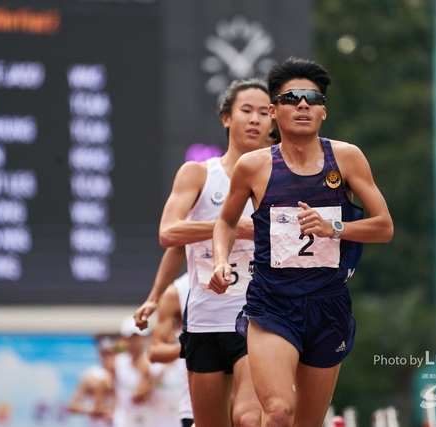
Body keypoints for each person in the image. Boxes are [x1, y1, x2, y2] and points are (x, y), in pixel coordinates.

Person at [209, 57, 394, 427]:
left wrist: (335, 227)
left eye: (313, 98)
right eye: (292, 97)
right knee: (277, 412)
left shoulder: (346, 158)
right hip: (272, 305)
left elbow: (384, 227)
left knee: (306, 422)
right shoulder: (254, 166)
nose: (304, 104)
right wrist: (220, 261)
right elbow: (226, 221)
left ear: (323, 111)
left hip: (328, 305)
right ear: (274, 111)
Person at [158, 78, 273, 427]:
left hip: (258, 318)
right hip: (204, 318)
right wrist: (228, 226)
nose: (255, 119)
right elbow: (168, 233)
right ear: (226, 118)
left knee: (250, 417)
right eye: (246, 110)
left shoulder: (279, 177)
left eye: (264, 113)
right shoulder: (197, 174)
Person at [147, 272, 194, 427]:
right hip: (193, 407)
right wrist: (196, 347)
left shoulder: (251, 273)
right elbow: (154, 352)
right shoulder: (177, 291)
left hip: (244, 403)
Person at [113, 317, 156, 427]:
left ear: (144, 338)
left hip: (149, 419)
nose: (135, 342)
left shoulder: (153, 363)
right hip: (123, 420)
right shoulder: (118, 363)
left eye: (138, 337)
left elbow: (138, 397)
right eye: (131, 338)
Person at [68, 334, 117, 427]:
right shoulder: (91, 376)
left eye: (112, 353)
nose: (109, 357)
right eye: (105, 353)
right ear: (100, 355)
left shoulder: (123, 374)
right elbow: (73, 406)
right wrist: (93, 410)